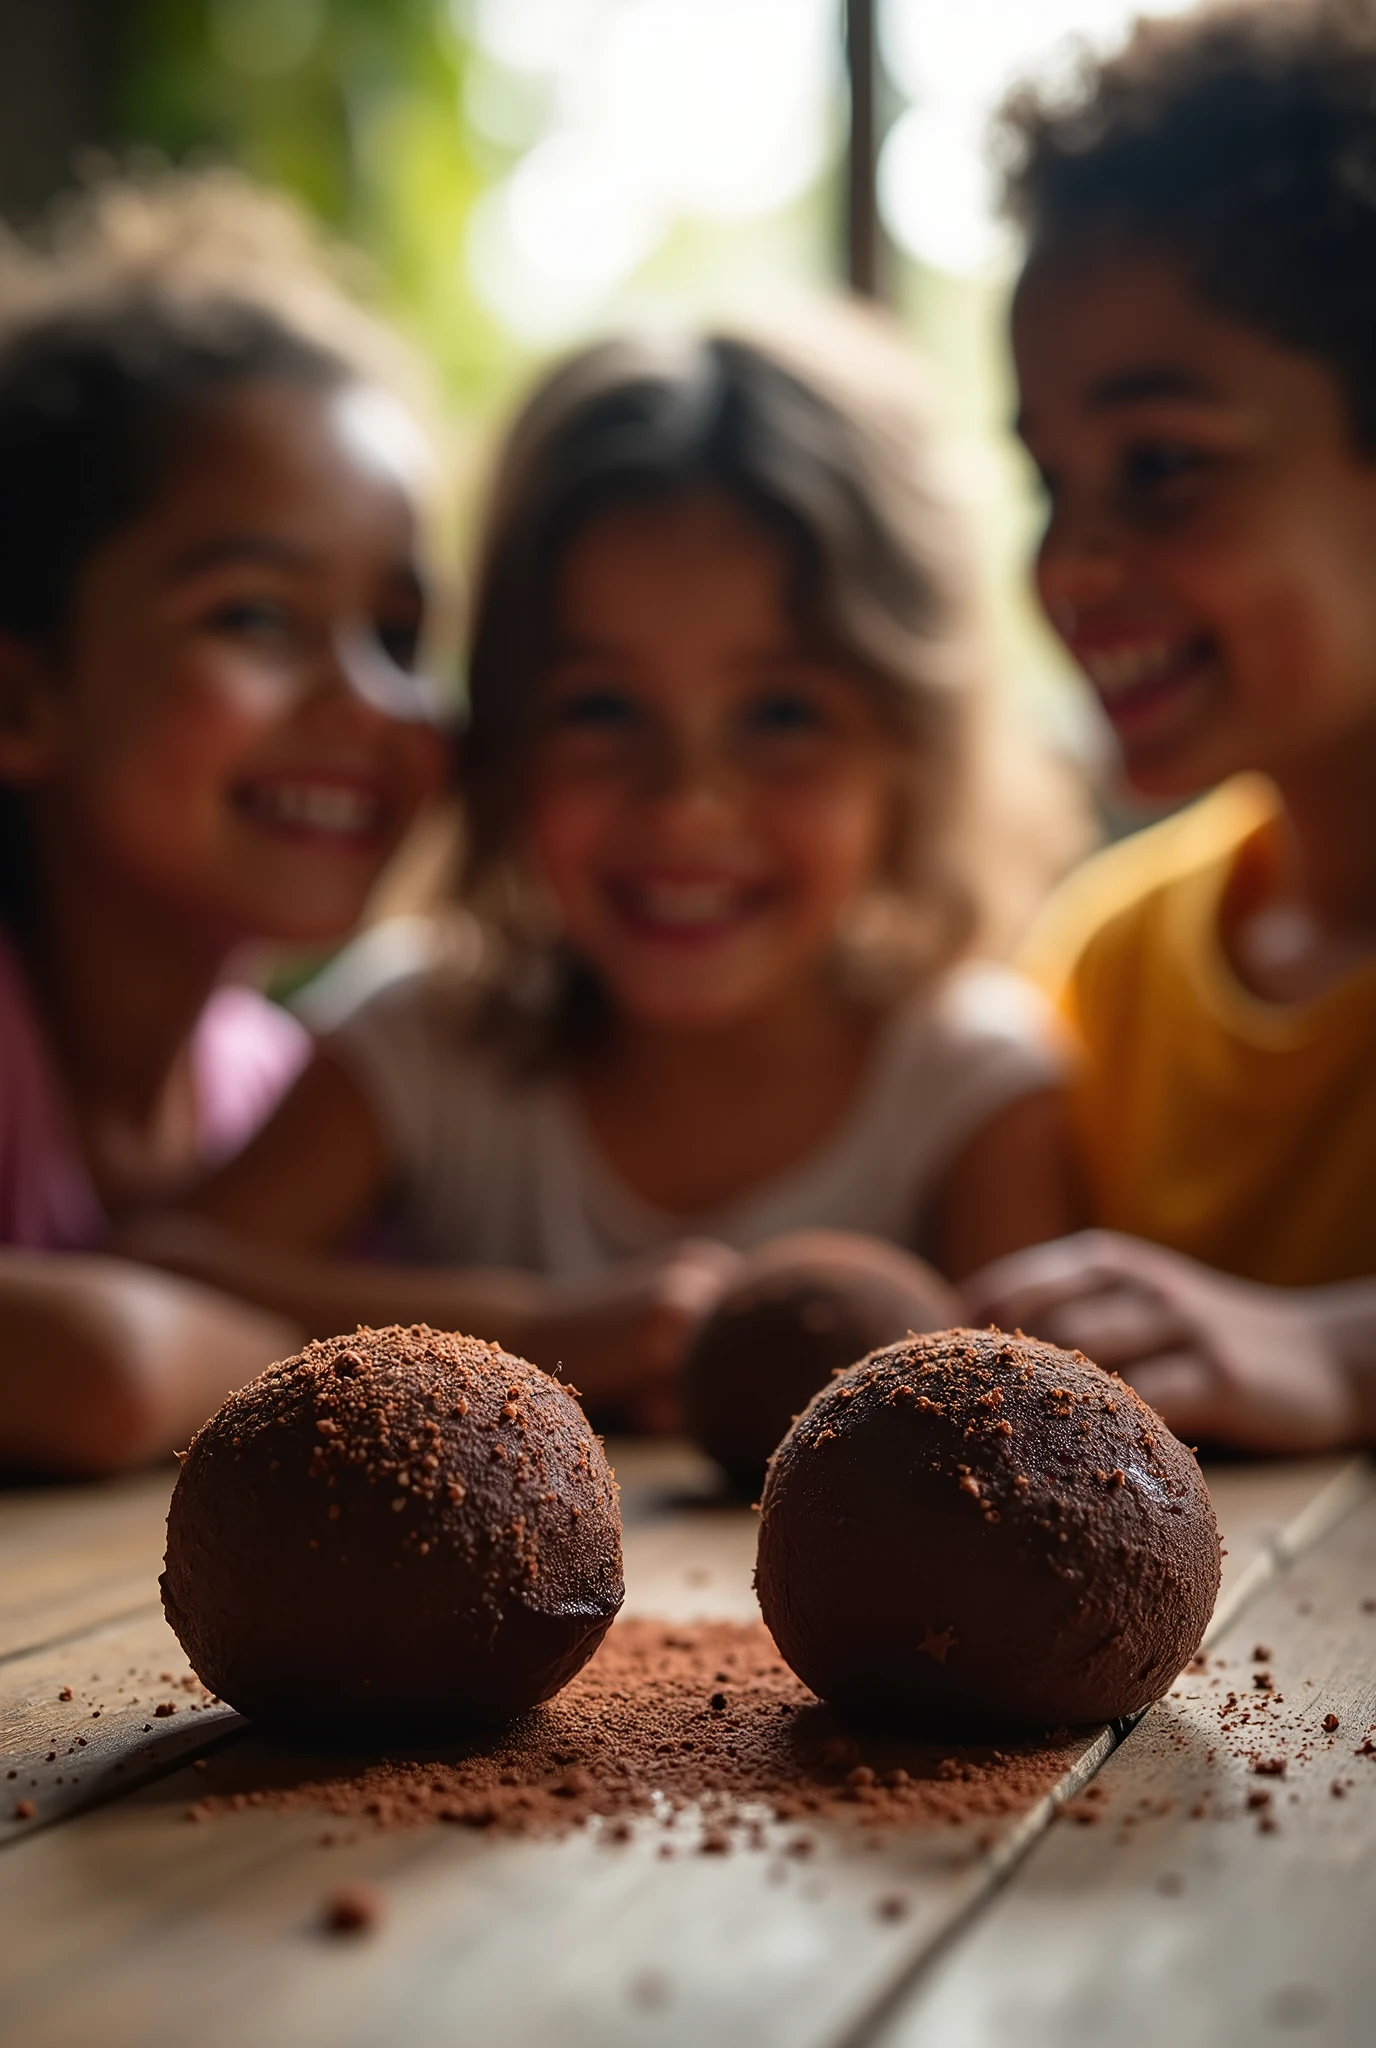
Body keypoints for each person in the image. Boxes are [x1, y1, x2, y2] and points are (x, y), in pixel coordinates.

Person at [128, 315, 1079, 1426]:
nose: (685, 802)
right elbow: (160, 1268)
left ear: (909, 748)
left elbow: (1046, 1427)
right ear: (502, 735)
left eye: (780, 714)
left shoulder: (969, 1084)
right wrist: (527, 1333)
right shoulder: (433, 1039)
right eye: (601, 708)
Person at [965, 0, 1376, 1452]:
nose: (1069, 568)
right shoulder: (1107, 969)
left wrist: (1337, 1353)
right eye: (1049, 484)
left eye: (1161, 466)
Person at [0, 171, 448, 1472]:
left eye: (404, 637)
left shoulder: (280, 1090)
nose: (366, 702)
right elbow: (93, 1371)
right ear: (25, 698)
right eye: (256, 617)